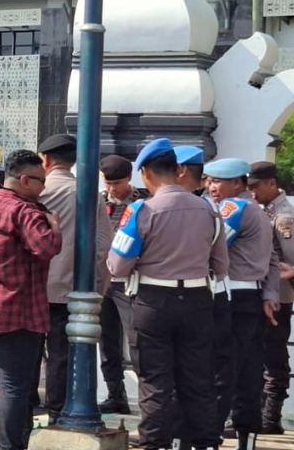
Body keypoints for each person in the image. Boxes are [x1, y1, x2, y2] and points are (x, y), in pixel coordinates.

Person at [107, 138, 227, 450]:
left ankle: (156, 444)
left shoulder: (140, 210)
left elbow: (117, 266)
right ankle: (204, 444)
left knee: (155, 381)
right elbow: (221, 265)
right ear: (177, 170)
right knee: (198, 380)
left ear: (145, 172)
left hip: (153, 302)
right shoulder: (210, 210)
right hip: (199, 301)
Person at [0, 150, 62, 450]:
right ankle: (9, 446)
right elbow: (46, 248)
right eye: (41, 181)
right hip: (14, 310)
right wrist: (55, 225)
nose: (44, 187)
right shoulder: (24, 211)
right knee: (14, 387)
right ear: (25, 180)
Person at [36, 133, 112, 424]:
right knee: (61, 355)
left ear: (45, 160)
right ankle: (57, 413)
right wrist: (99, 287)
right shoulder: (89, 192)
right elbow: (102, 246)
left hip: (32, 287)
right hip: (71, 288)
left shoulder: (35, 191)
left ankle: (22, 411)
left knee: (27, 353)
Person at [204, 157, 278, 450]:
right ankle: (246, 438)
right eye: (209, 181)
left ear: (237, 183)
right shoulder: (258, 210)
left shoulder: (233, 208)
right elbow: (272, 259)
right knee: (248, 373)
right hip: (253, 297)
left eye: (217, 181)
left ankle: (209, 438)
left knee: (222, 372)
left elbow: (212, 246)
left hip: (232, 297)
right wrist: (270, 294)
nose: (211, 187)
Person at [254, 161, 294, 434]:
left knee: (273, 356)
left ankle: (271, 417)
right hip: (266, 293)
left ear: (271, 183)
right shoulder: (266, 210)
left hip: (279, 296)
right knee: (261, 355)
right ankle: (261, 415)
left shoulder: (284, 218)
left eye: (256, 186)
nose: (252, 192)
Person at [98, 154, 143, 414]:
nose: (112, 188)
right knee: (106, 342)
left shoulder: (141, 204)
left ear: (129, 178)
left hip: (130, 282)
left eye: (117, 183)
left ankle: (147, 395)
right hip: (103, 281)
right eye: (108, 183)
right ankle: (116, 394)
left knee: (137, 340)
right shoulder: (98, 202)